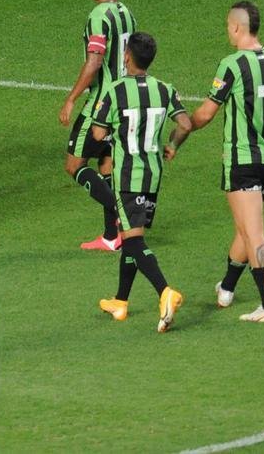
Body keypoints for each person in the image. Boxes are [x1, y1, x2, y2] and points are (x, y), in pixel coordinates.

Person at [171, 1, 264, 323]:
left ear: (236, 27)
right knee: (245, 228)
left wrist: (183, 128)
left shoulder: (231, 65)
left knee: (253, 234)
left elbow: (206, 113)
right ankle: (228, 287)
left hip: (241, 160)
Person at [91, 33, 191, 332]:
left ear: (127, 57)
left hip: (127, 176)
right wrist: (172, 144)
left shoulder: (115, 90)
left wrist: (113, 136)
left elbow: (97, 134)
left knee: (133, 241)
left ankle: (165, 291)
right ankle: (120, 301)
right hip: (153, 174)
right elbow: (185, 124)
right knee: (131, 233)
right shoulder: (164, 89)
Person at [58, 0, 136, 252]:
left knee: (74, 165)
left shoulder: (99, 16)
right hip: (124, 101)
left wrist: (71, 98)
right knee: (107, 164)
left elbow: (94, 61)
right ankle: (110, 236)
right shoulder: (127, 14)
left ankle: (121, 215)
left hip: (101, 105)